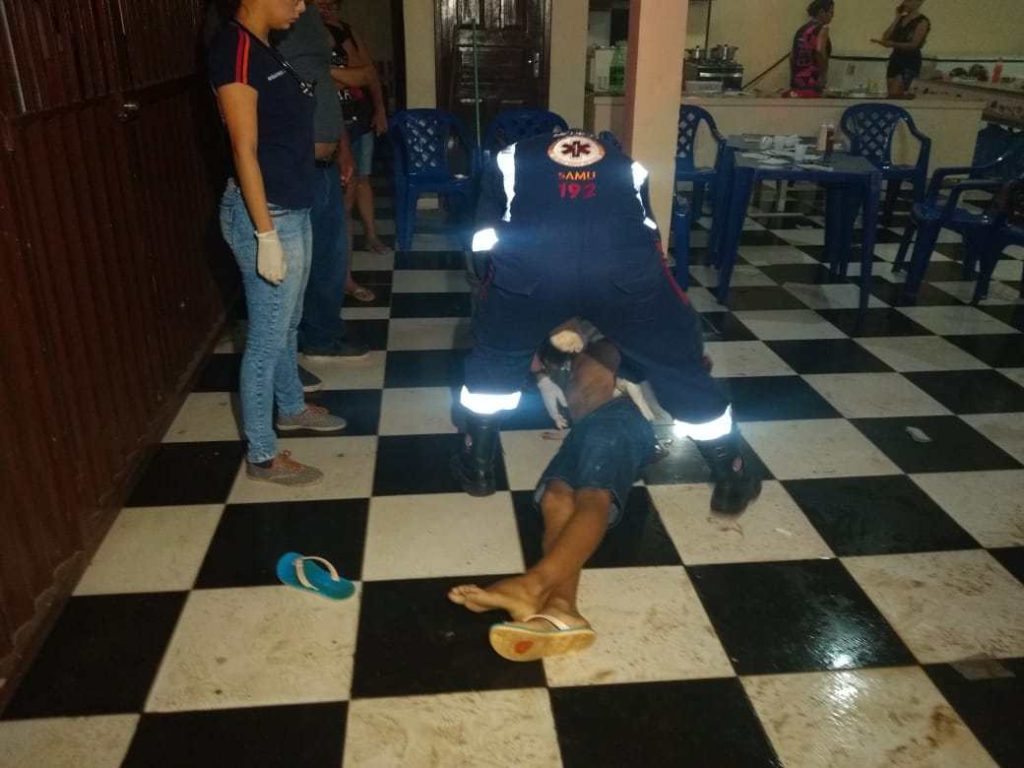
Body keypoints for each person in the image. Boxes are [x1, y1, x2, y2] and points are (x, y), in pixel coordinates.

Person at [453, 130, 761, 516]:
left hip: (532, 273)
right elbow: (650, 233)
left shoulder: (506, 159)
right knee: (677, 363)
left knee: (494, 357)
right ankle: (732, 472)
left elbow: (483, 239)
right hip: (622, 273)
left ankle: (479, 465)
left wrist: (498, 292)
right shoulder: (626, 164)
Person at [449, 334, 657, 661]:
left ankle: (532, 585)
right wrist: (543, 377)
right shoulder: (553, 354)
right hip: (585, 430)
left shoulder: (603, 334)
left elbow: (611, 353)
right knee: (555, 498)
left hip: (620, 418)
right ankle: (561, 609)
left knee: (594, 493)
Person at [208, 0, 348, 486]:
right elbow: (243, 148)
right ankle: (263, 455)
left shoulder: (265, 46)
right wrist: (265, 233)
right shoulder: (234, 48)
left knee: (287, 323)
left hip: (293, 206)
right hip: (268, 214)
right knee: (266, 339)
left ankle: (290, 407)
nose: (301, 5)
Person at [276, 5, 368, 360]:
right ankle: (291, 354)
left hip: (326, 164)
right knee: (296, 265)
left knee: (330, 256)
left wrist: (343, 149)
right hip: (295, 164)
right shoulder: (254, 25)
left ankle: (323, 334)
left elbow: (327, 89)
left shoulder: (310, 16)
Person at [315, 0, 390, 305]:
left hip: (355, 121)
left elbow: (367, 73)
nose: (326, 9)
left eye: (331, 4)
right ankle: (338, 278)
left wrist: (380, 108)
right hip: (327, 130)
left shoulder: (344, 32)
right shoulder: (299, 34)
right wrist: (338, 75)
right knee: (336, 204)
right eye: (320, 3)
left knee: (359, 183)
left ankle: (365, 244)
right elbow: (321, 80)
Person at [872, 0, 930, 98]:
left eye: (909, 1)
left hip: (910, 60)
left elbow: (914, 45)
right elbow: (886, 37)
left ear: (918, 2)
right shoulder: (901, 19)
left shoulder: (922, 21)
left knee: (895, 92)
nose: (905, 3)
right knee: (892, 94)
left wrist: (893, 44)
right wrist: (897, 18)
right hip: (895, 58)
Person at [790, 0, 835, 97]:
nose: (832, 16)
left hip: (797, 83)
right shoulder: (823, 28)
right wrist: (823, 76)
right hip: (813, 82)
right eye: (831, 12)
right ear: (821, 12)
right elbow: (819, 51)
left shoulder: (801, 30)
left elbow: (792, 57)